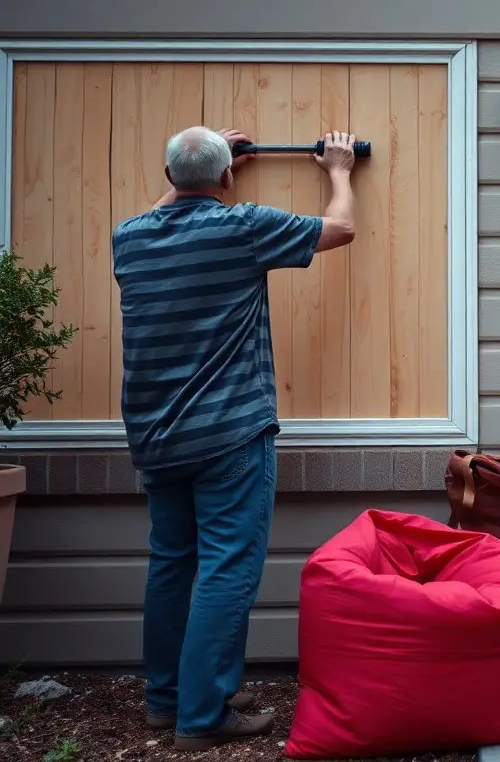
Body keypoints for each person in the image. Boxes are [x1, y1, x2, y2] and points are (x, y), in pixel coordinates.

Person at [112, 127, 360, 751]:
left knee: (172, 566)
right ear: (227, 179)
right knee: (226, 569)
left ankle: (168, 700)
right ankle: (202, 716)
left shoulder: (129, 238)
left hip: (155, 435)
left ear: (168, 178)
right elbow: (340, 230)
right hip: (227, 433)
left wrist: (202, 167)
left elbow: (168, 206)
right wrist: (339, 172)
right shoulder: (241, 226)